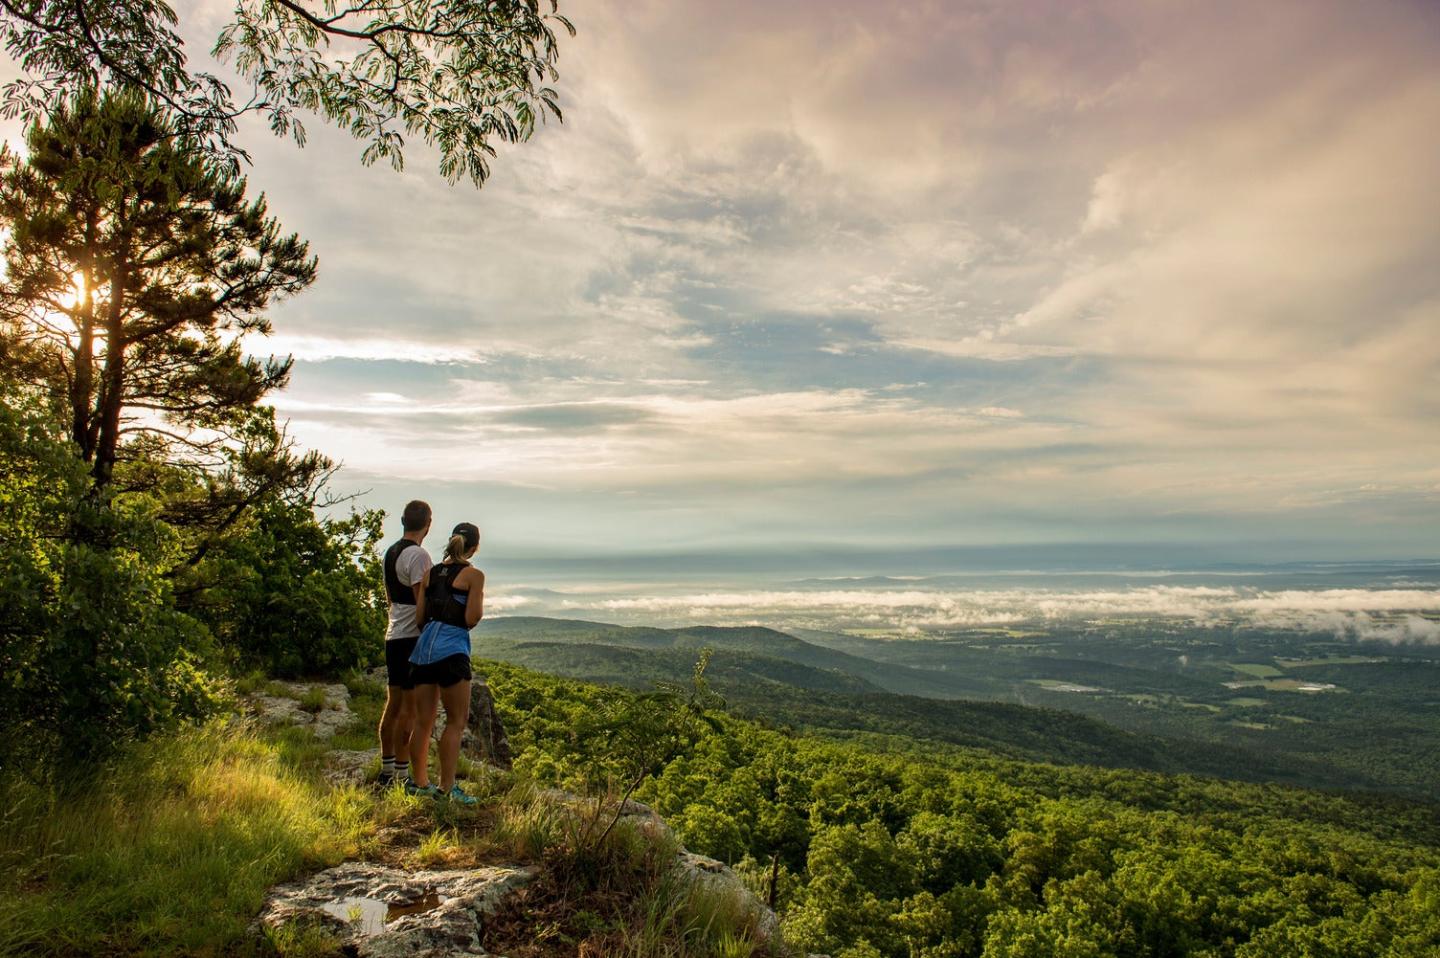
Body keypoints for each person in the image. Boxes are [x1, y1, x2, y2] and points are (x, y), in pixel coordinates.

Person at [408, 521, 485, 804]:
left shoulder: (430, 574)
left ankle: (418, 782)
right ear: (474, 547)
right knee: (456, 721)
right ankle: (447, 788)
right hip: (452, 651)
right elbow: (471, 618)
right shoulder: (473, 575)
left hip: (423, 650)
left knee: (422, 721)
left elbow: (419, 618)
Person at [377, 500, 433, 787]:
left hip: (394, 633)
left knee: (393, 703)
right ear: (428, 523)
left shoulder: (390, 553)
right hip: (412, 637)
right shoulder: (419, 556)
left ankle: (387, 771)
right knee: (409, 709)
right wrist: (429, 630)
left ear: (402, 521)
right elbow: (420, 600)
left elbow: (390, 597)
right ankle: (401, 775)